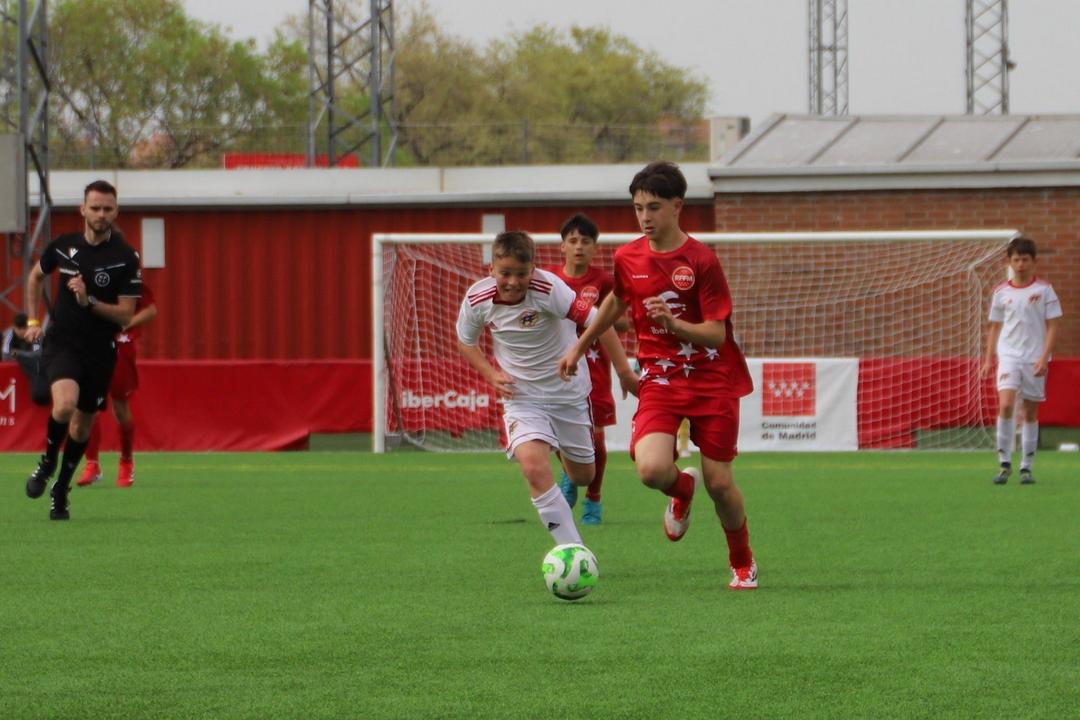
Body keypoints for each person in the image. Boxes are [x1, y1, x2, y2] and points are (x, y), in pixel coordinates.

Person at [558, 160, 759, 590]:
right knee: (650, 470)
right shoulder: (627, 256)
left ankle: (742, 560)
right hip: (661, 378)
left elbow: (717, 334)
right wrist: (579, 344)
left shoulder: (702, 260)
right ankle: (682, 490)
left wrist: (673, 324)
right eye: (638, 208)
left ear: (677, 206)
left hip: (712, 379)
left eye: (653, 207)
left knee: (720, 483)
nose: (644, 217)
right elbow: (615, 302)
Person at [457, 231, 637, 551]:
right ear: (491, 269)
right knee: (532, 467)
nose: (513, 282)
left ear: (533, 269)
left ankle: (561, 451)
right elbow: (465, 342)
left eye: (521, 273)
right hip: (521, 397)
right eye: (505, 273)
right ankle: (572, 550)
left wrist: (623, 372)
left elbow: (600, 322)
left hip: (567, 393)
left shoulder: (550, 289)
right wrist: (491, 374)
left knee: (583, 476)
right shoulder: (476, 299)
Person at [22, 179, 141, 520]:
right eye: (95, 208)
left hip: (100, 350)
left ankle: (61, 489)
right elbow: (34, 277)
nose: (101, 214)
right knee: (64, 405)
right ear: (83, 210)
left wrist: (89, 301)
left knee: (81, 429)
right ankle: (48, 461)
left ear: (116, 212)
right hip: (63, 342)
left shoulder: (125, 257)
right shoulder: (64, 245)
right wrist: (33, 322)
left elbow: (126, 315)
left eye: (107, 209)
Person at [547, 213, 631, 525]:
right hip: (559, 366)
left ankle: (593, 499)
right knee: (557, 432)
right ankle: (570, 474)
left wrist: (594, 316)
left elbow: (622, 323)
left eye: (585, 241)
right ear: (562, 247)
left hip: (594, 367)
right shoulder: (551, 280)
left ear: (595, 248)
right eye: (573, 241)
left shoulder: (605, 281)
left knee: (595, 438)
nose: (579, 246)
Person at [980, 236, 1062, 485]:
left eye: (1025, 260)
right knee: (1005, 404)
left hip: (1034, 358)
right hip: (1008, 356)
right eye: (1016, 260)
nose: (1020, 264)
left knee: (1029, 412)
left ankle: (1026, 466)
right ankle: (1004, 463)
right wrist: (988, 359)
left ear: (1034, 262)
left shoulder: (1044, 290)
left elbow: (1053, 325)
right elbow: (994, 327)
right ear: (1009, 262)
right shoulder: (1001, 292)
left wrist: (1044, 358)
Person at [78, 283, 157, 488]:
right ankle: (92, 464)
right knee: (89, 407)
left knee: (120, 408)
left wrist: (128, 322)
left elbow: (151, 310)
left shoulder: (129, 278)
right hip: (94, 346)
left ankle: (126, 461)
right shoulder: (90, 276)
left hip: (121, 347)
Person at [2, 312, 50, 405]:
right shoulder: (9, 335)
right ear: (14, 327)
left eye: (24, 328)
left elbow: (37, 354)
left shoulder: (35, 335)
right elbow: (5, 356)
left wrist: (17, 355)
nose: (22, 331)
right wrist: (23, 357)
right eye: (19, 328)